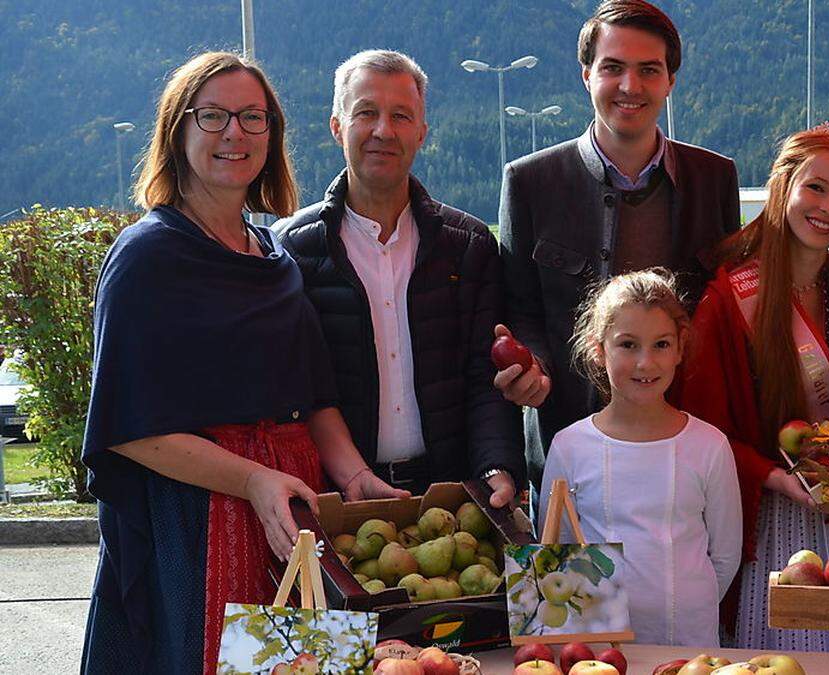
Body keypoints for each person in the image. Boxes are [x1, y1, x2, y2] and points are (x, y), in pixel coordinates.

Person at [80, 52, 404, 674]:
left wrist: (355, 477)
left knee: (310, 666)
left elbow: (311, 397)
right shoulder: (147, 257)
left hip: (292, 514)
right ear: (178, 132)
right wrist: (252, 479)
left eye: (253, 117)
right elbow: (130, 430)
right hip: (200, 519)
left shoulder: (272, 254)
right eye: (214, 116)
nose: (236, 133)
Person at [497, 0, 741, 492]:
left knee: (683, 568)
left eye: (649, 70)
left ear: (670, 80)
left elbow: (723, 303)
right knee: (571, 572)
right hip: (567, 452)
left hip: (683, 450)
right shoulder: (529, 181)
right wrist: (534, 367)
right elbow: (519, 306)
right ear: (587, 75)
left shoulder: (714, 178)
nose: (630, 86)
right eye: (613, 68)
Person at [677, 120, 829, 651]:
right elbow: (703, 430)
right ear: (782, 186)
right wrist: (779, 478)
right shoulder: (728, 302)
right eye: (816, 187)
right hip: (775, 531)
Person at [274, 50, 524, 506]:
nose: (383, 131)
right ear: (337, 126)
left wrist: (498, 467)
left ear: (422, 133)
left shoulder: (468, 246)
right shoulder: (292, 250)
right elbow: (296, 389)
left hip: (453, 495)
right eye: (366, 112)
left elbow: (484, 377)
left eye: (401, 116)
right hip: (337, 500)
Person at [539, 269, 742, 647]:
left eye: (661, 345)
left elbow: (725, 555)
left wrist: (684, 609)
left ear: (681, 348)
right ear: (598, 349)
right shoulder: (569, 447)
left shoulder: (709, 445)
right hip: (599, 653)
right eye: (628, 345)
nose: (645, 363)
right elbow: (557, 551)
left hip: (689, 646)